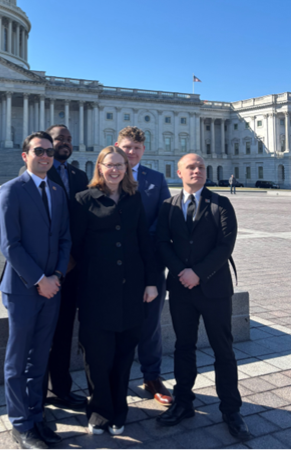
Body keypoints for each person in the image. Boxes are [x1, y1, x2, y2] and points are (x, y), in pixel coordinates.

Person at [156, 154, 251, 442]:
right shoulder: (168, 206)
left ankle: (231, 410)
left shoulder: (221, 203)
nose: (197, 171)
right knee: (184, 347)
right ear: (179, 172)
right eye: (191, 168)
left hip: (214, 289)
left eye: (200, 167)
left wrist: (197, 273)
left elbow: (225, 245)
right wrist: (181, 271)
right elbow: (162, 242)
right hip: (182, 289)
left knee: (224, 350)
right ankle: (184, 402)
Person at [72, 146, 160, 436]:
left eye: (120, 165)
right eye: (109, 164)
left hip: (131, 290)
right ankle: (99, 410)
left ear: (127, 168)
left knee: (123, 356)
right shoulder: (84, 200)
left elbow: (144, 242)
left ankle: (118, 408)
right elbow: (76, 248)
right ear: (99, 167)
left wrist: (151, 281)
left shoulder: (133, 199)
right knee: (97, 357)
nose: (115, 170)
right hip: (96, 293)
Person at [0, 132, 72, 451]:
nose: (45, 156)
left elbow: (65, 239)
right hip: (24, 289)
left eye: (50, 152)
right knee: (17, 359)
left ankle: (37, 414)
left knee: (40, 356)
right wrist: (40, 279)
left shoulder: (56, 190)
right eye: (38, 151)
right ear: (24, 155)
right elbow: (9, 244)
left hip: (51, 287)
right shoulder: (11, 190)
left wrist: (55, 276)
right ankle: (20, 423)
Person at [115, 127, 173, 406]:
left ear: (143, 150)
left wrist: (140, 244)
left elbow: (165, 218)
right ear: (117, 146)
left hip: (149, 263)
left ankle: (152, 377)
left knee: (151, 325)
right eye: (127, 147)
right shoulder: (107, 175)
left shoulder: (156, 179)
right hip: (115, 266)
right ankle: (116, 380)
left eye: (137, 148)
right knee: (116, 322)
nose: (132, 152)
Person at [44, 125, 89, 410]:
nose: (65, 143)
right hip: (46, 269)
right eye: (60, 138)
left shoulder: (79, 175)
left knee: (64, 331)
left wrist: (74, 257)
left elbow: (84, 220)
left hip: (72, 268)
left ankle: (60, 388)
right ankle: (37, 395)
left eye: (69, 139)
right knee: (42, 333)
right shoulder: (38, 171)